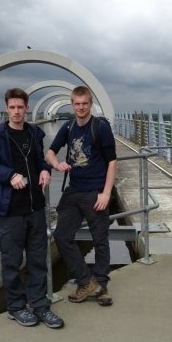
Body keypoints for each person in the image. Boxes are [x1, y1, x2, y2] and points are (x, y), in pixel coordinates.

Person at [0, 88, 64, 329]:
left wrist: (45, 169)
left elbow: (39, 161)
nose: (16, 111)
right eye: (12, 107)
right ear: (6, 109)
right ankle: (15, 307)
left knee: (37, 260)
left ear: (27, 108)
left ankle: (40, 305)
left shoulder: (34, 133)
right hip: (10, 209)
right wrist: (9, 175)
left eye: (20, 107)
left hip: (35, 206)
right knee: (12, 261)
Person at [46, 86, 117, 306]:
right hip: (74, 191)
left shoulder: (100, 127)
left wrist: (106, 193)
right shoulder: (68, 127)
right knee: (62, 235)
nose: (81, 107)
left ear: (90, 103)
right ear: (72, 104)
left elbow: (112, 161)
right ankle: (87, 281)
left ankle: (101, 285)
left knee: (100, 239)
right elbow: (50, 151)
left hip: (95, 192)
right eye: (77, 104)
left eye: (84, 103)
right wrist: (56, 164)